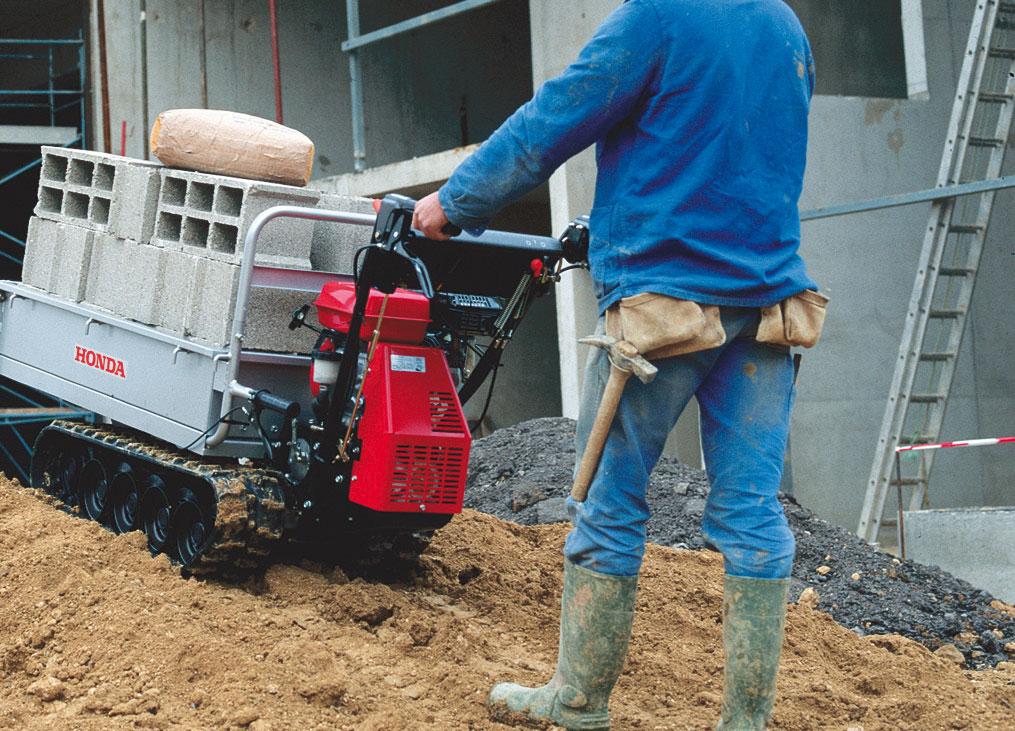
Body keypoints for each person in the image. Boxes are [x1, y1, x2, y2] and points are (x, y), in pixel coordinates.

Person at [412, 1, 818, 728]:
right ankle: (744, 722)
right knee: (753, 516)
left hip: (660, 313)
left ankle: (576, 702)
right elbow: (743, 148)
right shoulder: (784, 25)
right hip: (766, 312)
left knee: (607, 506)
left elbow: (554, 120)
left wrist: (454, 202)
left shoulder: (658, 17)